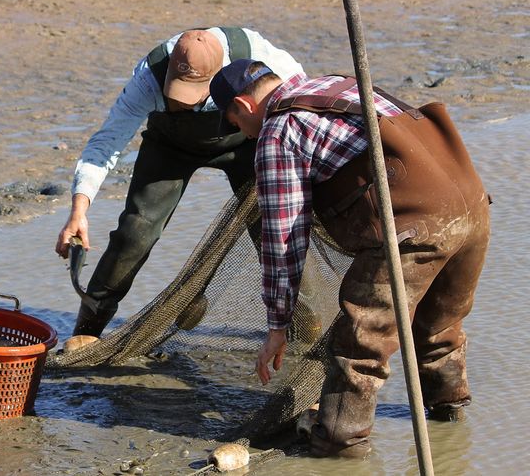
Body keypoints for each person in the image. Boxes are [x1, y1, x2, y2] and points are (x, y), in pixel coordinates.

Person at [209, 59, 490, 458]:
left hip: (413, 225)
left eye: (233, 122)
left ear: (242, 104)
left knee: (359, 343)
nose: (239, 132)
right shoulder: (335, 84)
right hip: (474, 207)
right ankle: (449, 420)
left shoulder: (278, 131)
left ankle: (339, 443)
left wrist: (277, 325)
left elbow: (283, 239)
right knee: (440, 322)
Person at [54, 27, 304, 337]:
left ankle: (305, 324)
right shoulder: (148, 77)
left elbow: (298, 98)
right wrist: (78, 211)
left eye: (192, 95)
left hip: (245, 140)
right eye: (177, 94)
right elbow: (107, 142)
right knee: (135, 232)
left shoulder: (256, 54)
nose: (183, 103)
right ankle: (88, 330)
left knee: (276, 229)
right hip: (170, 146)